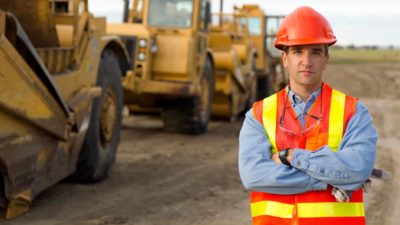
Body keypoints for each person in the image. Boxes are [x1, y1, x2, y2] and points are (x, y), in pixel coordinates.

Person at [238, 6, 377, 225]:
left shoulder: (354, 112)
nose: (306, 60)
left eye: (315, 52)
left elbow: (357, 169)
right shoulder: (258, 115)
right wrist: (329, 179)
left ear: (326, 59)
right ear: (284, 58)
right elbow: (253, 175)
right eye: (297, 51)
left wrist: (290, 157)